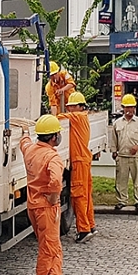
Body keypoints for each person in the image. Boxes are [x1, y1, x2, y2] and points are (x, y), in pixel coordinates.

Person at [19, 114, 65, 275]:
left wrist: (24, 133)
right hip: (47, 208)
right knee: (49, 249)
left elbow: (24, 143)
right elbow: (55, 181)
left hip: (33, 207)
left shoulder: (30, 150)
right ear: (54, 137)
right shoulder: (52, 156)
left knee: (51, 246)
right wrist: (54, 197)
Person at [57, 92, 96, 243]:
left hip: (79, 161)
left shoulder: (78, 117)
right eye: (69, 107)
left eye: (73, 106)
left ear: (80, 106)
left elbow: (58, 118)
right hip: (83, 159)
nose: (70, 109)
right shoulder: (83, 117)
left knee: (78, 195)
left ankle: (84, 230)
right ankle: (90, 225)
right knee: (85, 195)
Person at [111, 93, 138, 212]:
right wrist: (114, 151)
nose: (129, 110)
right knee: (121, 180)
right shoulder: (117, 123)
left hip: (136, 156)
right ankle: (122, 201)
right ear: (123, 108)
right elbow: (114, 138)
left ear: (135, 108)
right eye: (127, 107)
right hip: (122, 156)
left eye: (132, 107)